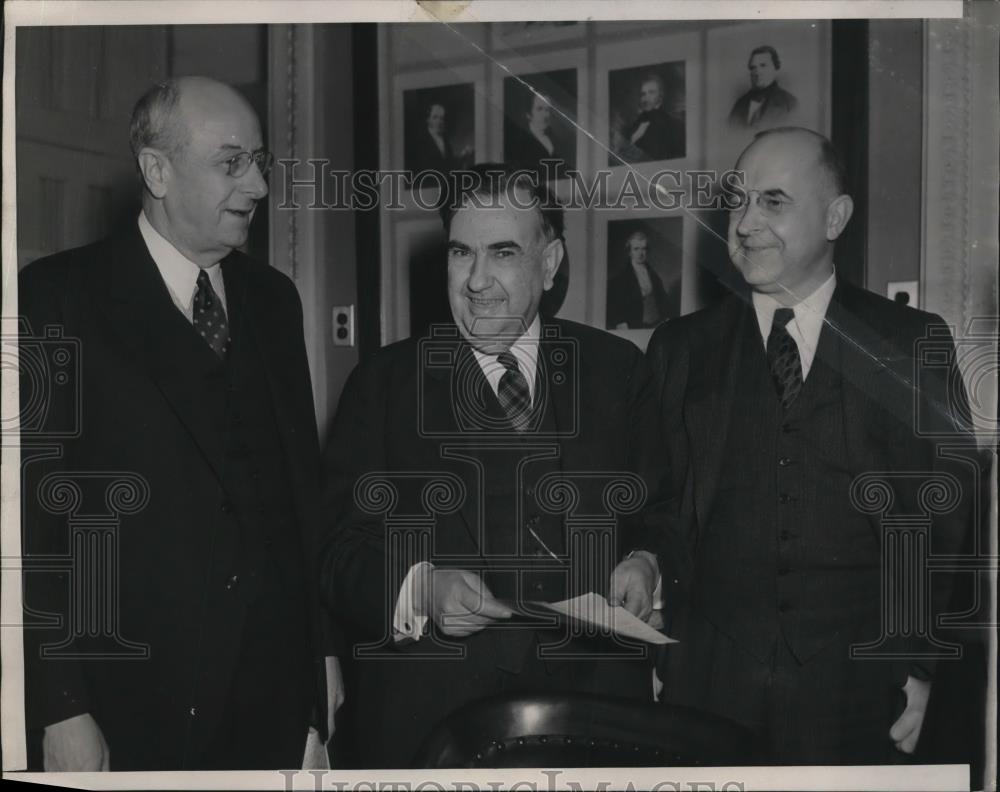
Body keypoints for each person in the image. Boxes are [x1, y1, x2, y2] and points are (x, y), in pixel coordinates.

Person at [18, 76, 339, 771]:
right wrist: (60, 705)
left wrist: (322, 670)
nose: (256, 186)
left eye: (260, 162)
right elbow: (32, 526)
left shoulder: (274, 301)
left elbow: (300, 505)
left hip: (272, 704)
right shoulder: (56, 298)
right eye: (232, 163)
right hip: (130, 705)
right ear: (156, 170)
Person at [646, 127, 979, 764]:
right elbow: (659, 511)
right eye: (738, 201)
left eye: (773, 202)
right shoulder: (679, 351)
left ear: (835, 217)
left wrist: (925, 670)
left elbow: (949, 524)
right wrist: (658, 646)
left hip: (863, 693)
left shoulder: (911, 343)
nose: (743, 224)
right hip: (707, 687)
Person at [321, 164, 669, 768]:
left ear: (550, 262)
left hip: (598, 723)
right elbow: (336, 553)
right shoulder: (381, 385)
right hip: (431, 731)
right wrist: (421, 588)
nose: (477, 281)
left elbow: (662, 513)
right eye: (462, 254)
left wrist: (646, 561)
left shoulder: (619, 372)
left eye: (503, 252)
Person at [606, 230, 677, 329]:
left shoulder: (654, 276)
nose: (640, 253)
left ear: (647, 251)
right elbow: (612, 308)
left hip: (656, 325)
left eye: (643, 249)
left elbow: (663, 301)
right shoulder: (619, 279)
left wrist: (667, 319)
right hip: (633, 327)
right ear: (629, 252)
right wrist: (620, 323)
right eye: (636, 249)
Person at [616, 73, 684, 163]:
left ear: (660, 96)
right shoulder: (633, 125)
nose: (646, 98)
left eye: (651, 92)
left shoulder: (674, 124)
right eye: (643, 94)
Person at [728, 45, 798, 129]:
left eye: (763, 65)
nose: (757, 72)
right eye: (753, 68)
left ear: (776, 68)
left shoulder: (790, 103)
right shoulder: (739, 104)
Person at [507, 92, 565, 178]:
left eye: (547, 110)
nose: (546, 115)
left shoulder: (557, 141)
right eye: (539, 109)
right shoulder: (519, 143)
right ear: (528, 114)